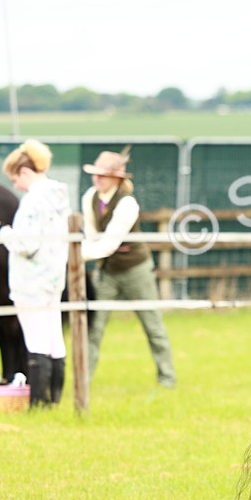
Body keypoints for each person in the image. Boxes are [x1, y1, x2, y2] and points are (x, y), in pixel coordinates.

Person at [80, 148, 176, 387]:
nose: (97, 179)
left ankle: (167, 378)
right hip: (106, 272)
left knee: (152, 325)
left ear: (117, 178)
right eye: (95, 174)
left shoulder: (127, 203)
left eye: (102, 174)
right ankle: (83, 381)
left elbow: (109, 243)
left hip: (135, 270)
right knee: (94, 327)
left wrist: (72, 258)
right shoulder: (90, 197)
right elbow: (92, 236)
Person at [0, 140, 70, 408]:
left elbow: (25, 243)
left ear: (25, 172)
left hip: (31, 281)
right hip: (54, 277)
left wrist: (3, 232)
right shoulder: (59, 197)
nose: (15, 186)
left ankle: (38, 402)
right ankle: (53, 398)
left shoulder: (33, 201)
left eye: (15, 178)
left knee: (36, 338)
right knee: (54, 339)